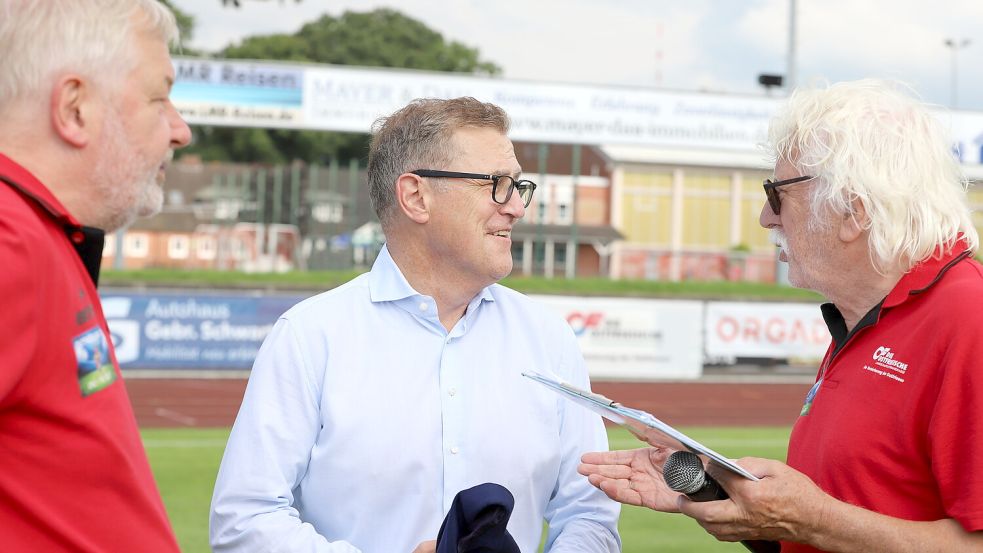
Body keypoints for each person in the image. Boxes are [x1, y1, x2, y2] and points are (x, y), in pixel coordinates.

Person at [579, 79, 983, 552]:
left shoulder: (966, 318)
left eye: (777, 193)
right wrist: (725, 496)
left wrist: (812, 520)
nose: (766, 218)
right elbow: (834, 523)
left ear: (852, 211)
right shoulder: (867, 318)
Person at [209, 97, 621, 553]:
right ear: (416, 196)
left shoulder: (548, 339)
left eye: (517, 186)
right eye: (496, 185)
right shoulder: (310, 337)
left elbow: (589, 514)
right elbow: (244, 520)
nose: (516, 208)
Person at [0, 1, 191, 551]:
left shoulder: (44, 232)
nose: (180, 130)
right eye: (160, 97)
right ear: (75, 107)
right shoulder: (11, 237)